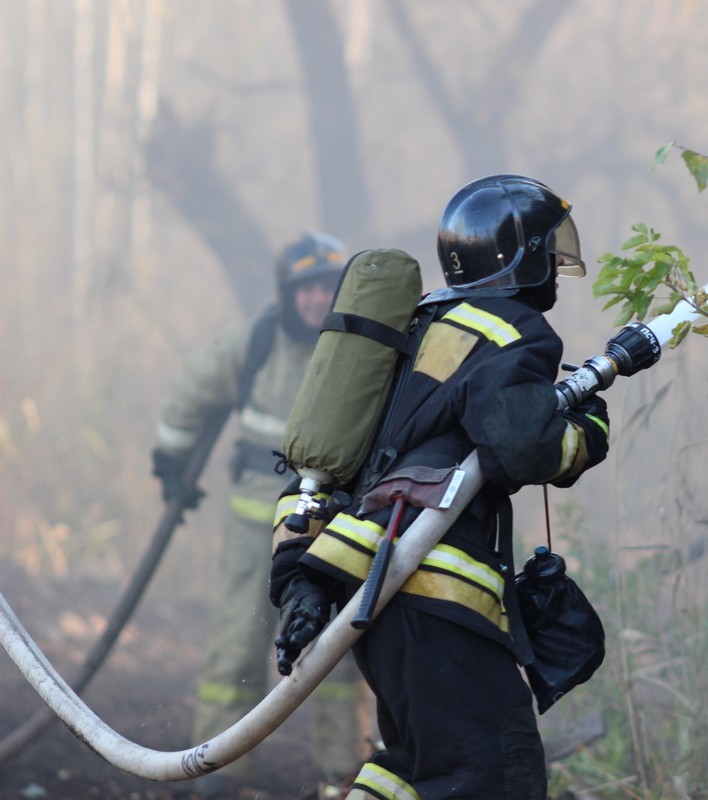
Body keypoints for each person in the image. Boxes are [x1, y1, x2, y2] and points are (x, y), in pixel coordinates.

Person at [269, 175, 611, 799]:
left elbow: (330, 458)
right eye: (548, 251)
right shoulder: (510, 329)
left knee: (413, 767)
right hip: (434, 590)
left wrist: (301, 582)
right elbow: (520, 448)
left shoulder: (415, 327)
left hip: (375, 593)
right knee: (491, 775)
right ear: (518, 256)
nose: (557, 270)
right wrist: (587, 425)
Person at [152, 232, 367, 792]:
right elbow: (191, 393)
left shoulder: (357, 351)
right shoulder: (254, 345)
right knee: (236, 647)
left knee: (334, 652)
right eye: (307, 290)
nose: (318, 300)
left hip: (334, 531)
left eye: (328, 288)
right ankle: (220, 773)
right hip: (255, 533)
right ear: (287, 293)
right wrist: (172, 462)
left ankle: (340, 774)